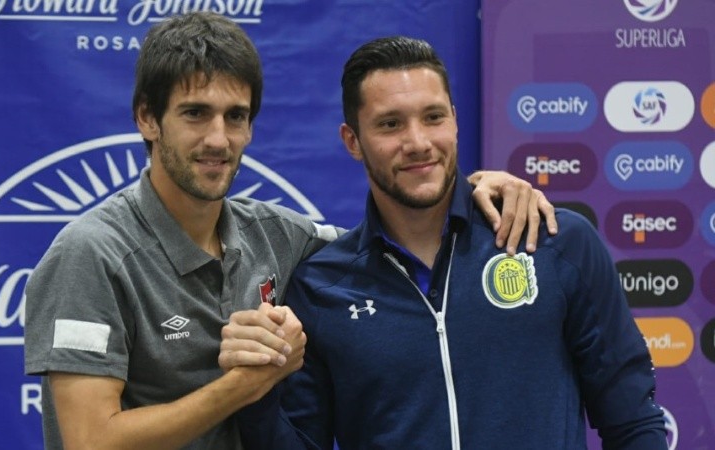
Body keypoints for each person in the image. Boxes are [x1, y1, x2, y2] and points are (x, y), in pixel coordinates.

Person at [24, 13, 556, 450]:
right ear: (147, 118)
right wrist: (241, 387)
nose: (218, 138)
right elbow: (91, 440)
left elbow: (391, 239)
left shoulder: (277, 235)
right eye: (195, 114)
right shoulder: (90, 254)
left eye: (236, 117)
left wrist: (478, 188)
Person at [222, 36, 668, 449]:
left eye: (433, 117)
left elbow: (632, 422)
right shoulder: (322, 287)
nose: (418, 143)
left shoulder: (554, 242)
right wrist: (256, 392)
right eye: (390, 124)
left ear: (455, 119)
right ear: (353, 141)